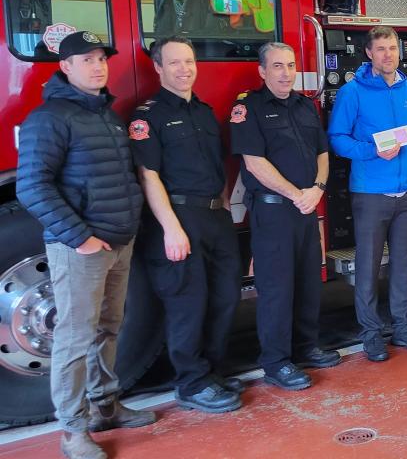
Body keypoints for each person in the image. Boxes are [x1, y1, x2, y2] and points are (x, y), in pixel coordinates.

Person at [16, 31, 155, 459]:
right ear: (65, 66)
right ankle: (73, 430)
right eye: (87, 60)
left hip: (117, 242)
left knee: (107, 329)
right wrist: (81, 238)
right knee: (75, 339)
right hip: (81, 248)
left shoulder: (105, 114)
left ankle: (105, 406)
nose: (98, 66)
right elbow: (32, 187)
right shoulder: (50, 117)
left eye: (101, 59)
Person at [130, 36, 243, 413]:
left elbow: (217, 167)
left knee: (225, 296)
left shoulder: (205, 112)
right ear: (158, 68)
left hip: (215, 216)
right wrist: (171, 228)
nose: (184, 69)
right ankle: (191, 382)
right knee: (188, 304)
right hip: (179, 218)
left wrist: (226, 207)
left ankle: (210, 371)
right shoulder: (147, 116)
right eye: (175, 63)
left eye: (189, 61)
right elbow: (149, 176)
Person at [230, 42, 340, 392]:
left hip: (306, 208)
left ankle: (305, 347)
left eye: (290, 65)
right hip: (274, 211)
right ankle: (276, 362)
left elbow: (323, 151)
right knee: (277, 289)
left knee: (308, 282)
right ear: (262, 71)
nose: (285, 72)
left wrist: (318, 189)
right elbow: (254, 162)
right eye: (277, 66)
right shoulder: (249, 108)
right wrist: (296, 195)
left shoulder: (305, 105)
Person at [327, 25, 407, 361]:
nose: (388, 54)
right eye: (381, 49)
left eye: (393, 48)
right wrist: (372, 150)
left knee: (404, 264)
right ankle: (371, 334)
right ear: (369, 53)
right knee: (368, 266)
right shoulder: (352, 92)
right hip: (371, 194)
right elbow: (338, 139)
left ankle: (402, 328)